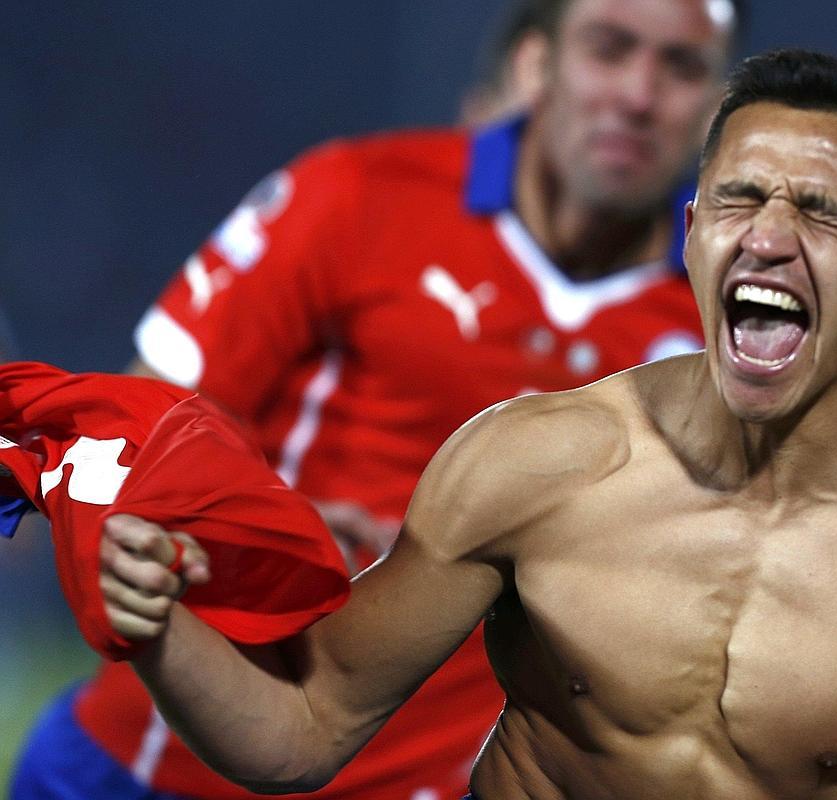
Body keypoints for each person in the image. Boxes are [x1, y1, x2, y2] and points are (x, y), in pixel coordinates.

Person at [97, 48, 837, 799]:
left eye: (819, 212)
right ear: (691, 233)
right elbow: (302, 730)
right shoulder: (541, 463)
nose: (767, 237)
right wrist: (155, 628)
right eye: (737, 198)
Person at [9, 1, 746, 799]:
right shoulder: (358, 197)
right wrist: (250, 523)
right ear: (536, 66)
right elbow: (130, 426)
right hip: (157, 772)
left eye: (681, 68)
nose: (639, 94)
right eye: (609, 49)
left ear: (718, 110)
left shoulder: (723, 326)